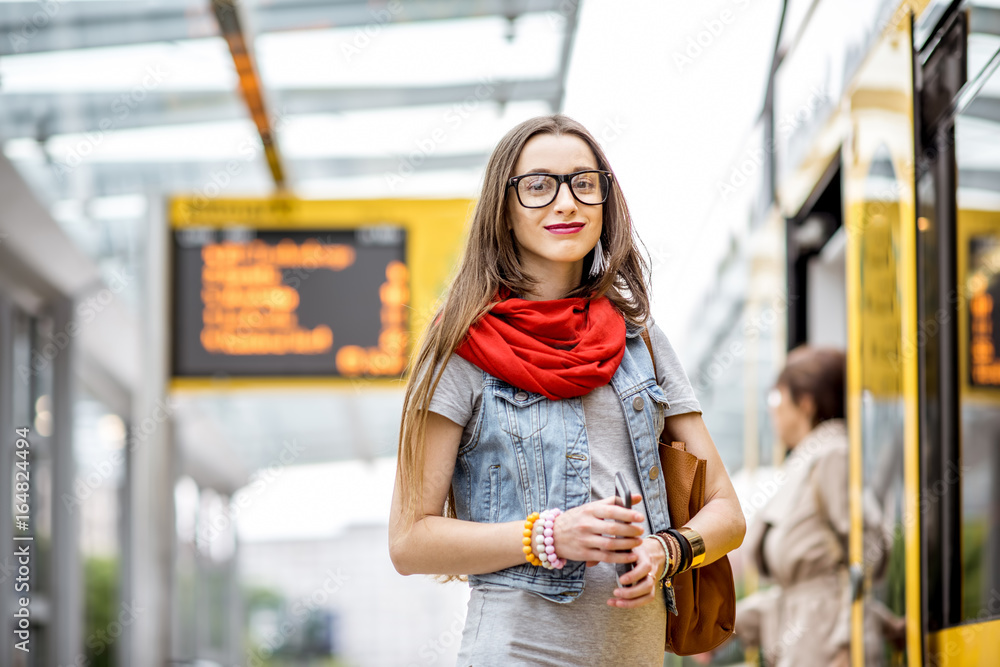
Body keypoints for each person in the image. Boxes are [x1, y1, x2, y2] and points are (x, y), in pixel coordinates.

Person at [388, 113, 746, 666]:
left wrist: (665, 549)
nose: (566, 202)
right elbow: (410, 542)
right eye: (537, 185)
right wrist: (550, 535)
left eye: (584, 183)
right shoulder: (457, 348)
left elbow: (727, 512)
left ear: (606, 203)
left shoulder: (641, 341)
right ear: (502, 212)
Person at [734, 346, 901, 666]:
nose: (773, 412)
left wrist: (849, 644)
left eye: (777, 399)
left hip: (826, 649)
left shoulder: (832, 455)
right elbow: (807, 587)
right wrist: (726, 625)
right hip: (808, 644)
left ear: (806, 403)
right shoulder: (806, 462)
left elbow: (863, 553)